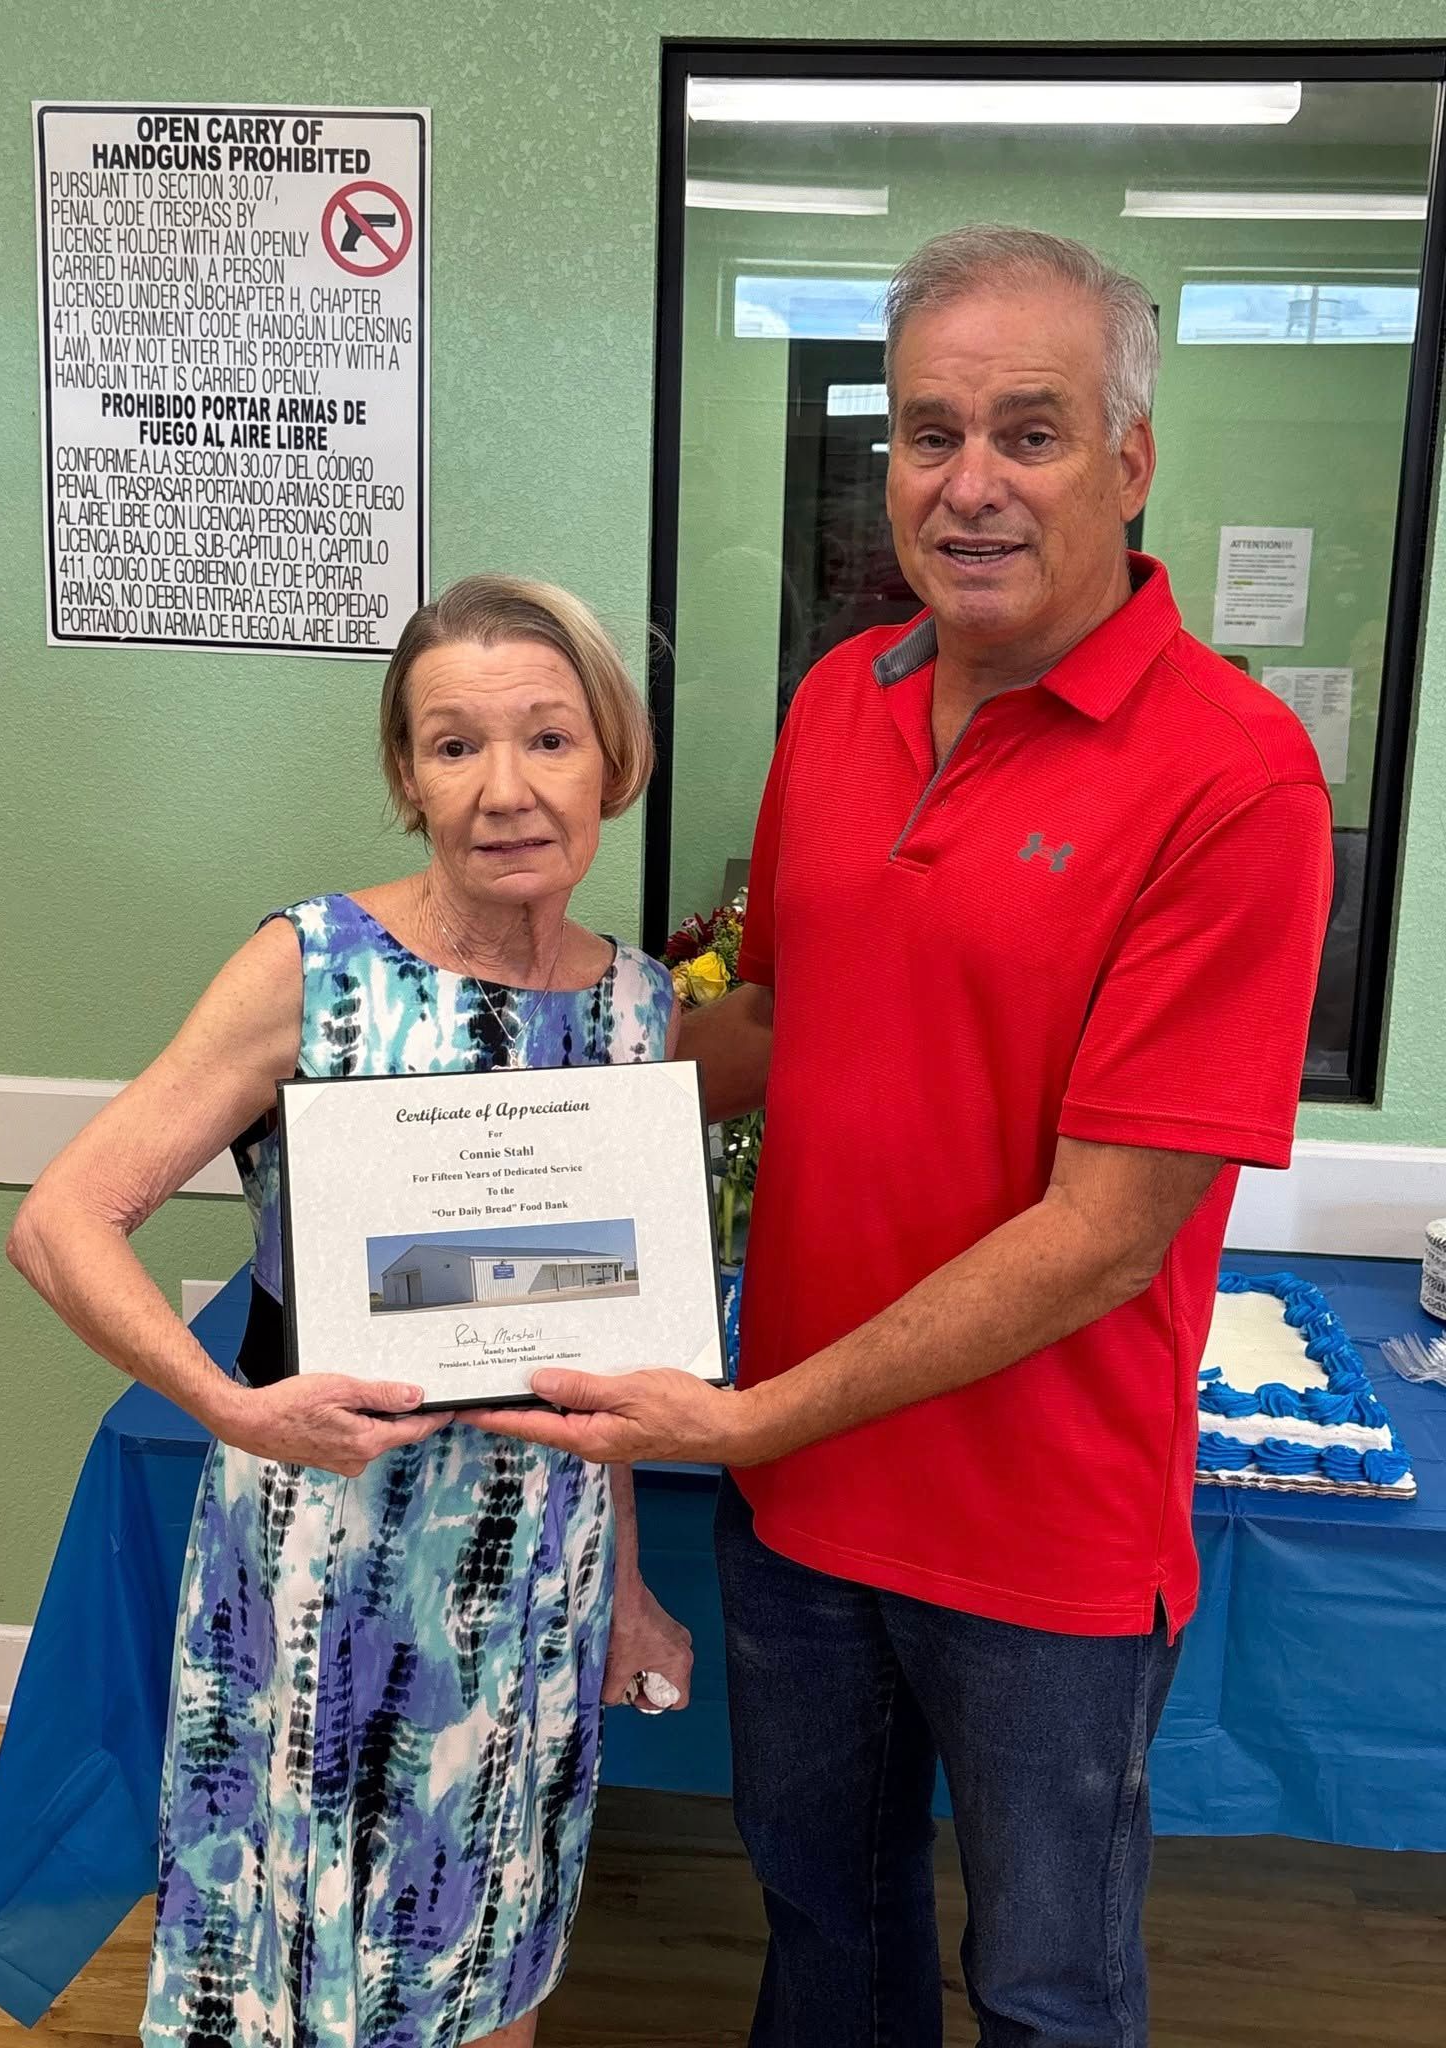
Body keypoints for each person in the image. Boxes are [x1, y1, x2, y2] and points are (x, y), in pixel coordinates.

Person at [479, 228, 1334, 2045]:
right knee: (826, 1946)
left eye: (1031, 432)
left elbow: (1105, 1231)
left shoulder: (1237, 776)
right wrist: (492, 1086)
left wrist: (749, 1418)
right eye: (930, 433)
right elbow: (777, 1023)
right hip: (803, 1511)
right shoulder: (839, 703)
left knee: (1047, 1989)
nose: (970, 484)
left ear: (1131, 460)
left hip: (1042, 1542)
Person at [6, 574, 694, 2048]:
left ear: (613, 761)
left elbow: (603, 1347)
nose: (504, 789)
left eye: (549, 739)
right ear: (405, 773)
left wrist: (629, 1584)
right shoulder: (314, 971)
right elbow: (61, 1220)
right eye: (454, 745)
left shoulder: (638, 1008)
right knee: (311, 1971)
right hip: (331, 1561)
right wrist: (230, 1407)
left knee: (501, 1948)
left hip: (542, 1574)